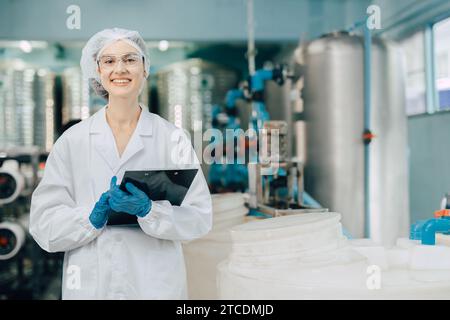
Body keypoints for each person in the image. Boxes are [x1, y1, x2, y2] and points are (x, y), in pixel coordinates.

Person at [29, 28, 212, 299]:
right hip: (92, 286)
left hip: (155, 286)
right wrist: (90, 218)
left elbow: (199, 218)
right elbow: (43, 225)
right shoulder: (73, 141)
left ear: (145, 68)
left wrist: (151, 211)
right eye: (110, 61)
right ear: (98, 71)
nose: (120, 69)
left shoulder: (172, 138)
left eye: (130, 59)